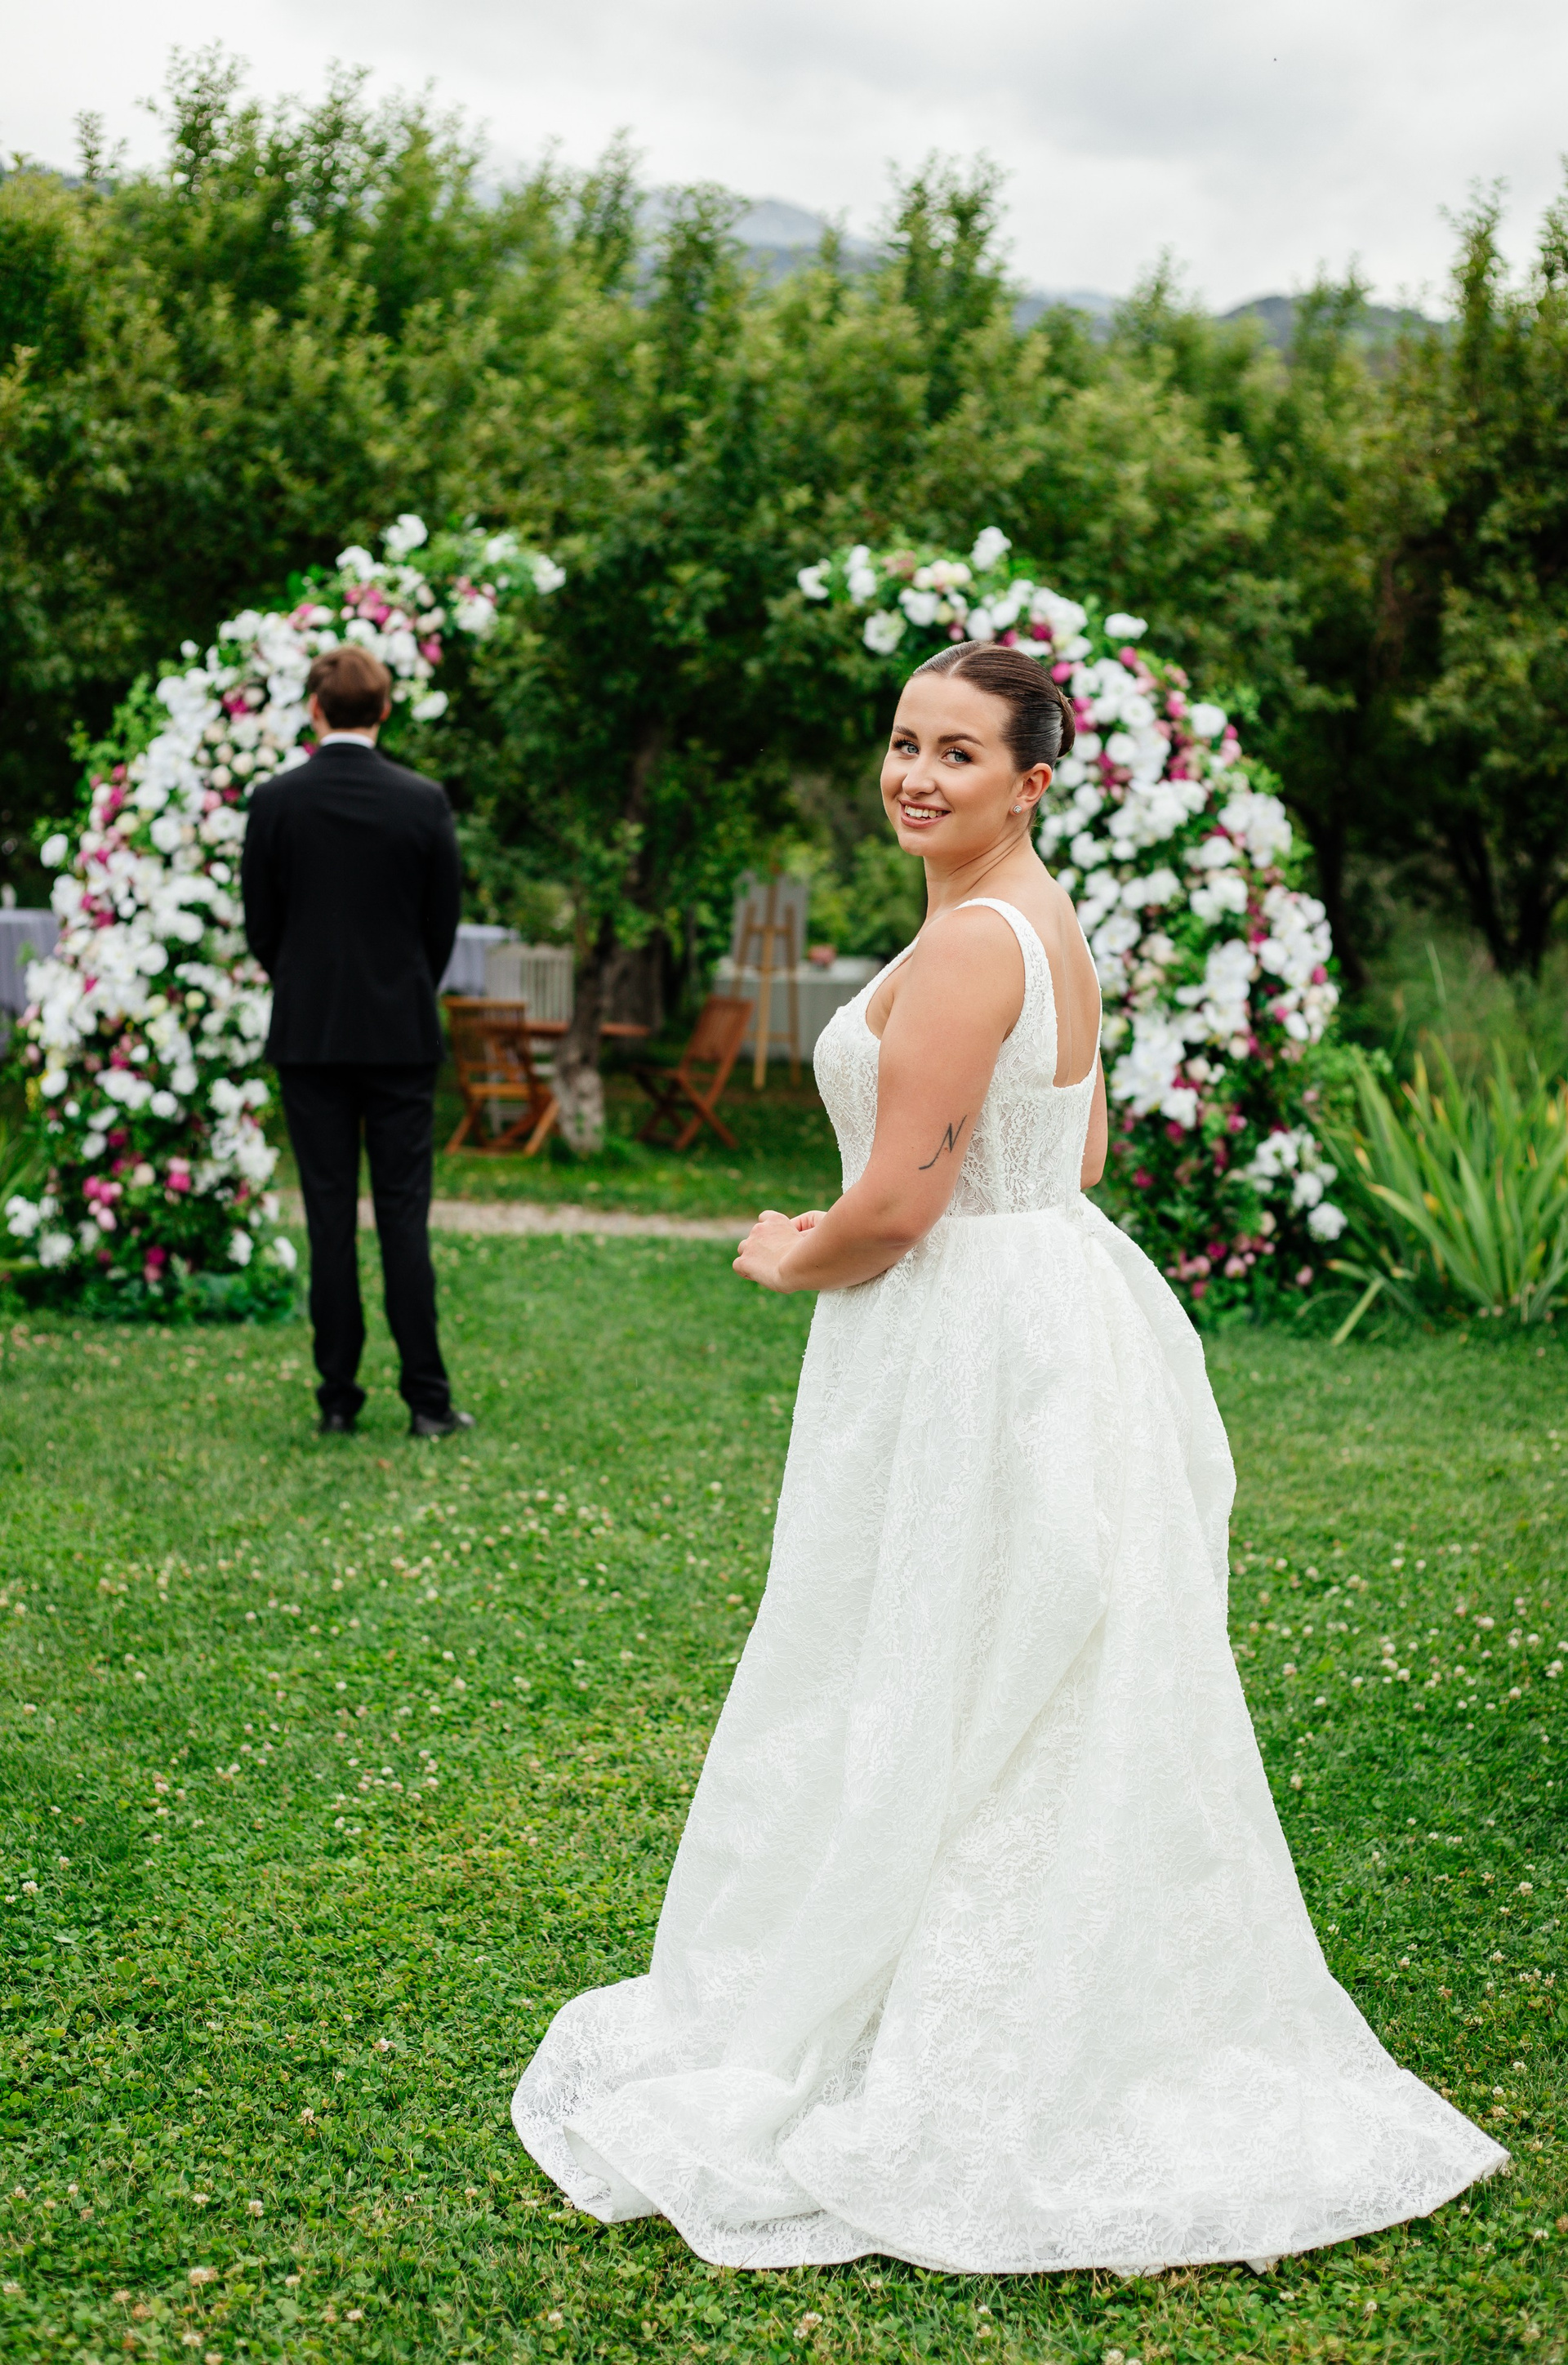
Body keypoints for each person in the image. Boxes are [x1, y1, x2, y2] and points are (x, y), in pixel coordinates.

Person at [511, 640, 1503, 2273]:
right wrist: (951, 1210)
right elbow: (1079, 1139)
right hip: (1041, 1305)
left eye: (958, 752)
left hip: (964, 1334)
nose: (916, 773)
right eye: (905, 740)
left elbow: (902, 1207)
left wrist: (788, 1249)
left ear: (1031, 780)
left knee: (931, 1653)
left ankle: (934, 2018)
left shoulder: (976, 941)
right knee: (1009, 1659)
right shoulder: (1040, 920)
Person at [241, 642, 473, 1441]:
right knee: (404, 1219)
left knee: (328, 1217)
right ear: (384, 710)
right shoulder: (423, 801)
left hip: (309, 1036)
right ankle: (428, 1402)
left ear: (315, 709)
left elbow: (261, 926)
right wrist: (402, 988)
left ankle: (337, 1399)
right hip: (400, 1036)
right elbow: (440, 925)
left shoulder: (275, 801)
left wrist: (305, 983)